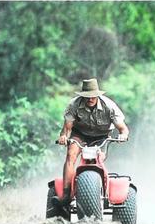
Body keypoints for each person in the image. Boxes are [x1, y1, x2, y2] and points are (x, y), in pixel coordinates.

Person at [53, 78, 129, 206]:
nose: (90, 99)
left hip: (102, 136)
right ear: (82, 96)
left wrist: (123, 135)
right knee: (71, 155)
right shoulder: (74, 105)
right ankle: (66, 194)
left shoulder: (109, 106)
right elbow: (67, 128)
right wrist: (63, 137)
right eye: (87, 96)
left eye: (93, 96)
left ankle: (103, 191)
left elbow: (123, 128)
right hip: (80, 135)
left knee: (98, 159)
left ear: (97, 95)